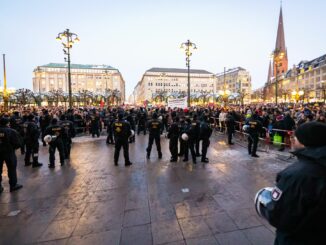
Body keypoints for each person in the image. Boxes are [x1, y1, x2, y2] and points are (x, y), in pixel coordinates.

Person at [255, 122, 326, 244]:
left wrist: (265, 205)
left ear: (306, 142)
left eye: (295, 137)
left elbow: (279, 215)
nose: (292, 140)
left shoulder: (295, 175)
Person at [0, 117, 23, 193]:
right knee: (12, 168)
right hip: (9, 152)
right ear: (8, 123)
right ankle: (13, 185)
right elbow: (17, 143)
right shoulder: (11, 131)